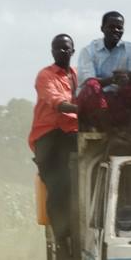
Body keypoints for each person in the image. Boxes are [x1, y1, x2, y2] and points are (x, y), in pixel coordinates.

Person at [29, 34, 78, 242]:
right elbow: (57, 102)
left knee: (87, 181)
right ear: (52, 51)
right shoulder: (45, 76)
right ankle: (61, 239)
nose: (63, 52)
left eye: (66, 48)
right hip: (48, 137)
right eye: (58, 48)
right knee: (59, 185)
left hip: (72, 134)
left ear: (73, 51)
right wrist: (86, 109)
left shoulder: (78, 75)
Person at [75, 12, 131, 137]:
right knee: (92, 86)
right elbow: (88, 81)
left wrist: (128, 76)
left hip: (119, 100)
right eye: (111, 27)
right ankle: (110, 134)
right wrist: (112, 80)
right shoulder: (88, 51)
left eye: (119, 27)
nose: (116, 30)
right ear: (102, 28)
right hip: (95, 104)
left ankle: (129, 133)